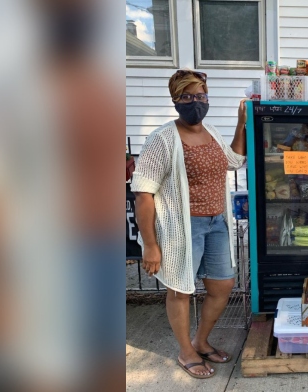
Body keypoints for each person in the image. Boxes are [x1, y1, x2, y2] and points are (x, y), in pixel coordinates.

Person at [132, 69, 248, 379]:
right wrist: (151, 246)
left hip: (216, 224)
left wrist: (241, 124)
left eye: (200, 95)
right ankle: (186, 351)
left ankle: (201, 340)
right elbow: (143, 194)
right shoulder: (162, 139)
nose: (195, 102)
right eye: (187, 96)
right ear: (175, 100)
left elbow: (234, 161)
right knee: (181, 290)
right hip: (182, 228)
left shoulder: (209, 131)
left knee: (222, 285)